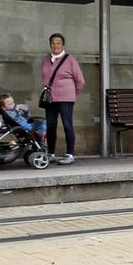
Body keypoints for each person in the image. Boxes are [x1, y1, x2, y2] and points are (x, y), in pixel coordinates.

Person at [40, 32, 85, 165]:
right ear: (50, 45)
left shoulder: (70, 60)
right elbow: (45, 78)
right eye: (53, 43)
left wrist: (72, 94)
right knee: (51, 126)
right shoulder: (45, 60)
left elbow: (80, 81)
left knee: (67, 125)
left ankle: (70, 154)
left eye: (58, 43)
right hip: (50, 99)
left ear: (63, 45)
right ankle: (51, 153)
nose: (55, 45)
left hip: (66, 99)